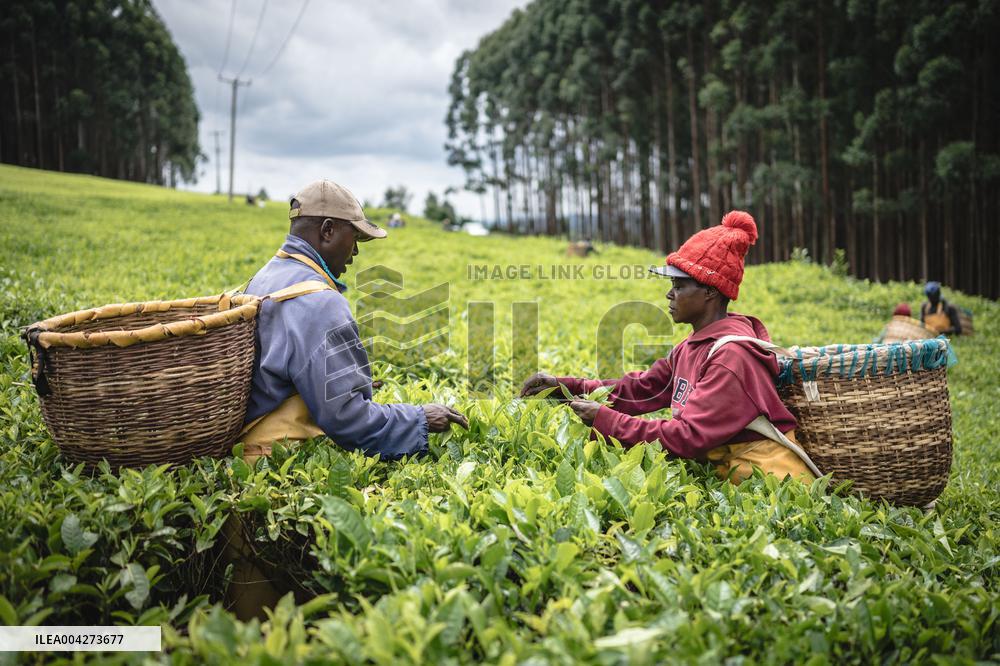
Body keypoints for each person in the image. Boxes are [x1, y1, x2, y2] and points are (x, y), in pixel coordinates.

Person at [227, 179, 467, 618]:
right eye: (355, 237)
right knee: (272, 623)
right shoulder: (320, 302)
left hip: (242, 468)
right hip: (279, 482)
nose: (355, 253)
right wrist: (418, 418)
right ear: (327, 231)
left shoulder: (263, 277)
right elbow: (349, 418)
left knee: (248, 608)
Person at [521, 211, 814, 484]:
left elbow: (688, 437)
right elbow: (641, 389)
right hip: (732, 475)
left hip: (770, 484)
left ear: (711, 291)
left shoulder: (731, 357)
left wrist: (605, 419)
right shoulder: (692, 347)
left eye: (679, 285)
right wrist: (565, 387)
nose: (669, 294)